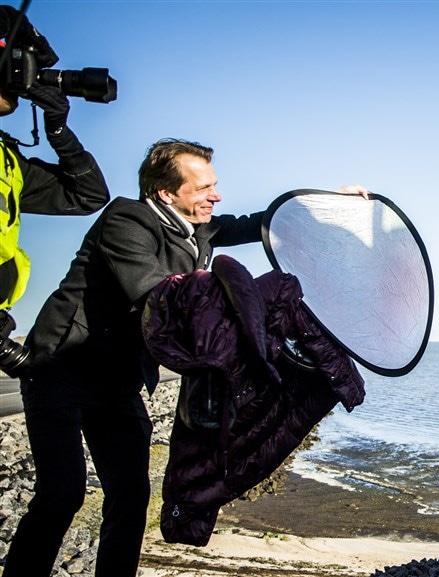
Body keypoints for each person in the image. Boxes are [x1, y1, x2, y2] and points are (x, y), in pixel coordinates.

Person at [3, 137, 367, 576]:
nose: (216, 195)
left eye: (214, 185)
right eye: (202, 189)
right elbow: (156, 294)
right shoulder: (126, 218)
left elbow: (264, 223)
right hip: (61, 368)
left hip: (119, 383)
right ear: (165, 193)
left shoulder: (201, 227)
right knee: (62, 494)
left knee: (131, 497)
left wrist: (328, 202)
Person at [0, 5, 110, 370]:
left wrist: (60, 134)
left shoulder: (7, 162)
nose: (24, 77)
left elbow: (88, 196)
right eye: (16, 63)